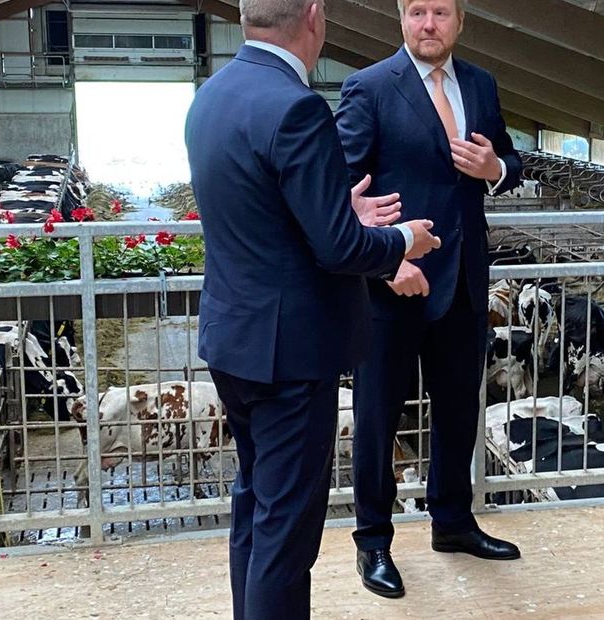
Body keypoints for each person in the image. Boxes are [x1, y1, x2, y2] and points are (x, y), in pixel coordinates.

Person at [184, 0, 441, 618]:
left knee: (256, 507)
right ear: (315, 17)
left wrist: (336, 211)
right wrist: (405, 240)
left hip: (234, 340)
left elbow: (264, 214)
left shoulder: (212, 96)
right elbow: (340, 247)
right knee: (287, 535)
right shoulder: (297, 106)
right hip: (291, 357)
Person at [335, 0, 523, 600]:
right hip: (393, 286)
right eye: (416, 11)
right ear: (401, 19)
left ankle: (453, 522)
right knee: (377, 417)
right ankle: (373, 541)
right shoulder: (368, 87)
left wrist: (496, 168)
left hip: (465, 281)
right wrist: (385, 259)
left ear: (461, 20)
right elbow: (343, 189)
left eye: (440, 12)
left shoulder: (481, 84)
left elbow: (513, 160)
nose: (427, 24)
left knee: (457, 410)